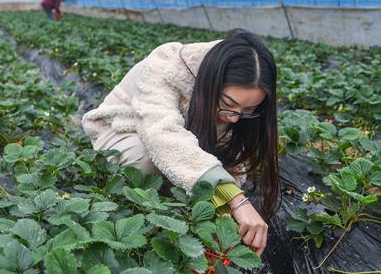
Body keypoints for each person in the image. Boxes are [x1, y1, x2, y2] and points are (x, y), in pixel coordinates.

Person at [82, 30, 279, 255]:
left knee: (209, 180)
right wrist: (234, 199)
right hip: (122, 130)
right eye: (227, 103)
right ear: (212, 81)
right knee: (148, 165)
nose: (233, 118)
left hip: (181, 140)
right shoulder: (167, 65)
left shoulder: (237, 105)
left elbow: (229, 154)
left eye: (247, 110)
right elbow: (161, 134)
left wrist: (223, 209)